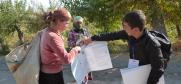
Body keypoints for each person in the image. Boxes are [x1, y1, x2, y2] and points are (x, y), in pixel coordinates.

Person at [82, 10, 166, 84]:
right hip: (134, 72)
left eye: (125, 26)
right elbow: (111, 35)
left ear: (136, 29)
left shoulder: (152, 44)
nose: (123, 28)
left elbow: (158, 69)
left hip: (145, 76)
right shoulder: (129, 34)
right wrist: (92, 38)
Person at [39, 7, 81, 84]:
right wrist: (76, 49)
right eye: (67, 22)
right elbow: (66, 59)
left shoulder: (46, 31)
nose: (68, 25)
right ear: (59, 21)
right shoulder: (53, 36)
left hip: (46, 74)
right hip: (52, 77)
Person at [67, 16, 93, 84]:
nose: (79, 24)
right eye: (78, 23)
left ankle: (85, 81)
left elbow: (90, 38)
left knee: (85, 70)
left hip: (85, 53)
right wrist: (78, 42)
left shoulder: (84, 30)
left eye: (81, 23)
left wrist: (87, 39)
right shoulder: (71, 32)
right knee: (78, 71)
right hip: (77, 54)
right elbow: (69, 43)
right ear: (74, 23)